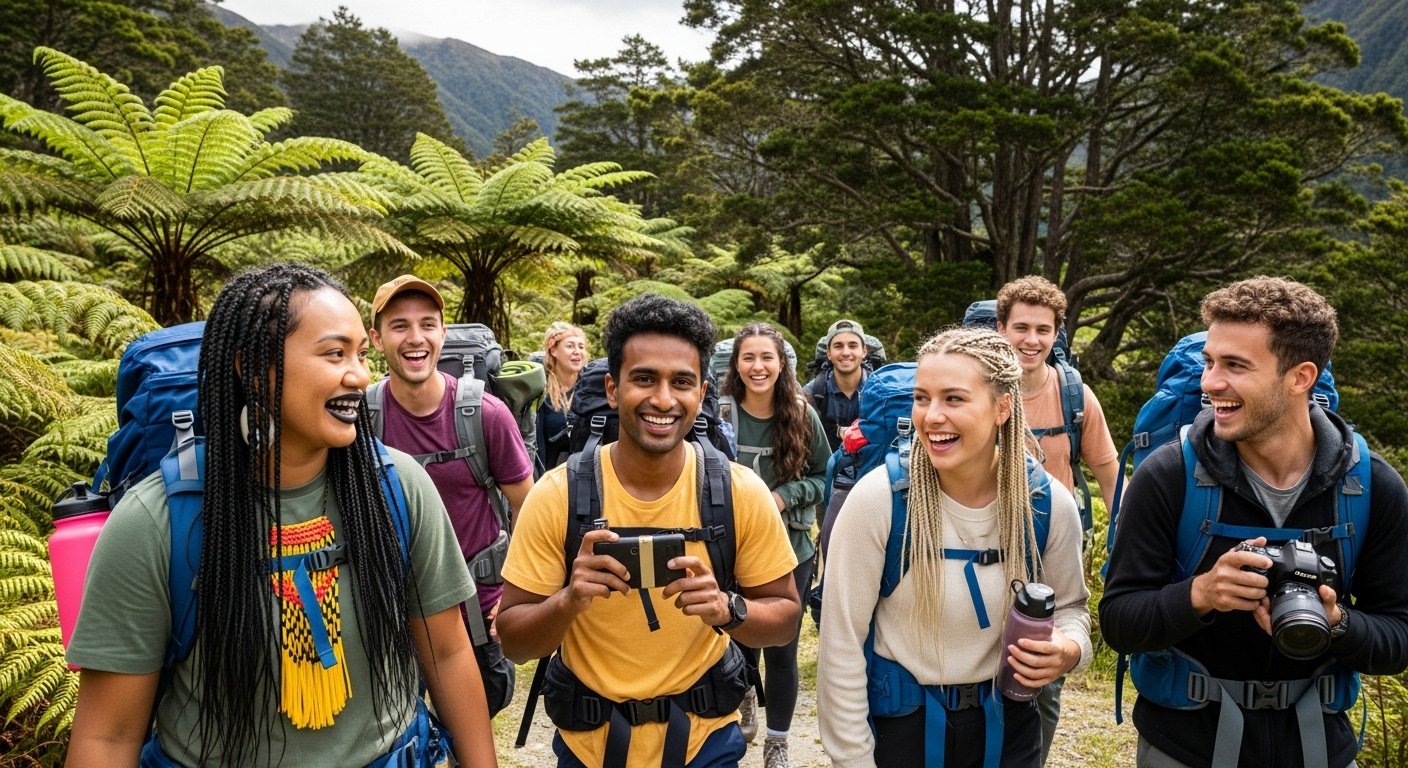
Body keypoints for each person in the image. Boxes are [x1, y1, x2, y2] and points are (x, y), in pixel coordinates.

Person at [66, 263, 496, 767]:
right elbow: (108, 737)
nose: (359, 375)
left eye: (360, 353)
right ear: (252, 367)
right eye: (335, 353)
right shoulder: (156, 523)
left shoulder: (398, 490)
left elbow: (447, 654)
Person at [1100, 276, 1408, 768]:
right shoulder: (1170, 475)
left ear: (1301, 377)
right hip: (1184, 744)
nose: (1210, 383)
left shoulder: (1372, 488)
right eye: (1209, 362)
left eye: (1235, 366)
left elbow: (1398, 638)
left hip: (1318, 746)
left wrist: (1337, 623)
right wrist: (1201, 595)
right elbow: (1119, 622)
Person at [497, 293, 801, 768]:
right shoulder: (557, 495)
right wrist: (570, 599)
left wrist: (727, 607)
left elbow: (784, 619)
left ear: (702, 394)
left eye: (681, 382)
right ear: (613, 389)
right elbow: (513, 641)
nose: (662, 399)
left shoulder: (740, 492)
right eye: (644, 379)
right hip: (589, 746)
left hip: (706, 742)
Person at [817, 326, 1090, 768]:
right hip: (904, 730)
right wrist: (852, 760)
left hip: (1010, 728)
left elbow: (1073, 609)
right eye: (922, 398)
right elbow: (842, 646)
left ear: (1002, 407)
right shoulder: (879, 501)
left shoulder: (1046, 503)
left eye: (954, 399)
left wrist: (1070, 650)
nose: (932, 415)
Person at [368, 274, 535, 717]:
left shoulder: (485, 414)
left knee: (471, 735)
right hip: (392, 616)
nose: (415, 338)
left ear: (443, 333)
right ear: (376, 338)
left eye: (427, 324)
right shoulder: (363, 419)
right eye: (399, 326)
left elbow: (530, 508)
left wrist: (515, 592)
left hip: (476, 613)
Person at [993, 275, 1118, 764]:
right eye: (1021, 327)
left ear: (1057, 334)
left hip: (1051, 551)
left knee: (1043, 677)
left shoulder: (1074, 396)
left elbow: (1109, 474)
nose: (1031, 340)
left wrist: (1122, 544)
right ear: (1000, 328)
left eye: (1043, 330)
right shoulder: (977, 390)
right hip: (984, 544)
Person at [723, 323, 832, 767]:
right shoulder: (721, 413)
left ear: (781, 363)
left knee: (782, 651)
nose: (758, 367)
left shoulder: (803, 415)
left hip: (791, 550)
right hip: (733, 550)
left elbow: (827, 475)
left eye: (767, 358)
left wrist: (784, 496)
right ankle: (746, 694)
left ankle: (777, 741)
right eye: (748, 358)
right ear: (736, 364)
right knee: (740, 638)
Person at [805, 318, 871, 558]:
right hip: (828, 486)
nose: (846, 352)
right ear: (829, 353)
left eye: (853, 346)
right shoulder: (812, 393)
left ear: (864, 351)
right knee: (832, 549)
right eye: (838, 346)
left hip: (872, 481)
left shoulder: (880, 389)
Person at [537, 321, 588, 472]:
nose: (577, 351)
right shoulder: (541, 390)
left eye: (581, 346)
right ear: (553, 351)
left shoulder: (591, 388)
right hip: (548, 475)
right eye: (570, 346)